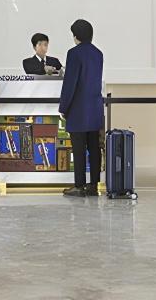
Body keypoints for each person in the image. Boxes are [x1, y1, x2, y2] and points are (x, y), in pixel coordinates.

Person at [59, 19, 104, 197]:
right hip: (95, 107)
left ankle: (79, 186)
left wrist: (64, 107)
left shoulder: (74, 53)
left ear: (76, 35)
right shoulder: (98, 53)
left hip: (78, 109)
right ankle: (93, 185)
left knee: (78, 149)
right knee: (94, 147)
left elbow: (70, 83)